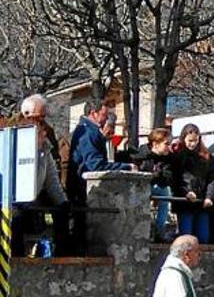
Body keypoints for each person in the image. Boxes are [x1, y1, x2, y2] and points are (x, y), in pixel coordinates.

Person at [67, 100, 137, 253]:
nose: (106, 118)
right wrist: (126, 167)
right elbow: (95, 165)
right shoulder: (87, 133)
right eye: (104, 115)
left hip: (81, 189)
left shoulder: (86, 131)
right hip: (82, 190)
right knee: (80, 231)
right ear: (93, 113)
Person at [9, 122, 71, 256]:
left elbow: (52, 180)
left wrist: (62, 202)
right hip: (13, 205)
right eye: (39, 133)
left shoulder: (45, 151)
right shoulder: (13, 146)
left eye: (43, 132)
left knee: (59, 217)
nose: (43, 135)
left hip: (31, 203)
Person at [172, 124, 214, 244]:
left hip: (201, 203)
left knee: (203, 238)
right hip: (184, 202)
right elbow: (176, 179)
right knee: (186, 238)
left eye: (195, 140)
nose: (192, 144)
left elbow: (212, 178)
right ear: (184, 139)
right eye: (190, 141)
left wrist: (209, 197)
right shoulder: (178, 156)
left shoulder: (206, 157)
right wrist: (186, 192)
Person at [131, 128, 175, 242]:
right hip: (144, 185)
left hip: (159, 184)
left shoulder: (169, 157)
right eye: (166, 144)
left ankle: (160, 229)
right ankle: (143, 228)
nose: (168, 147)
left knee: (165, 196)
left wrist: (160, 175)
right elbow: (139, 170)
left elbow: (168, 174)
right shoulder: (143, 153)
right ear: (155, 144)